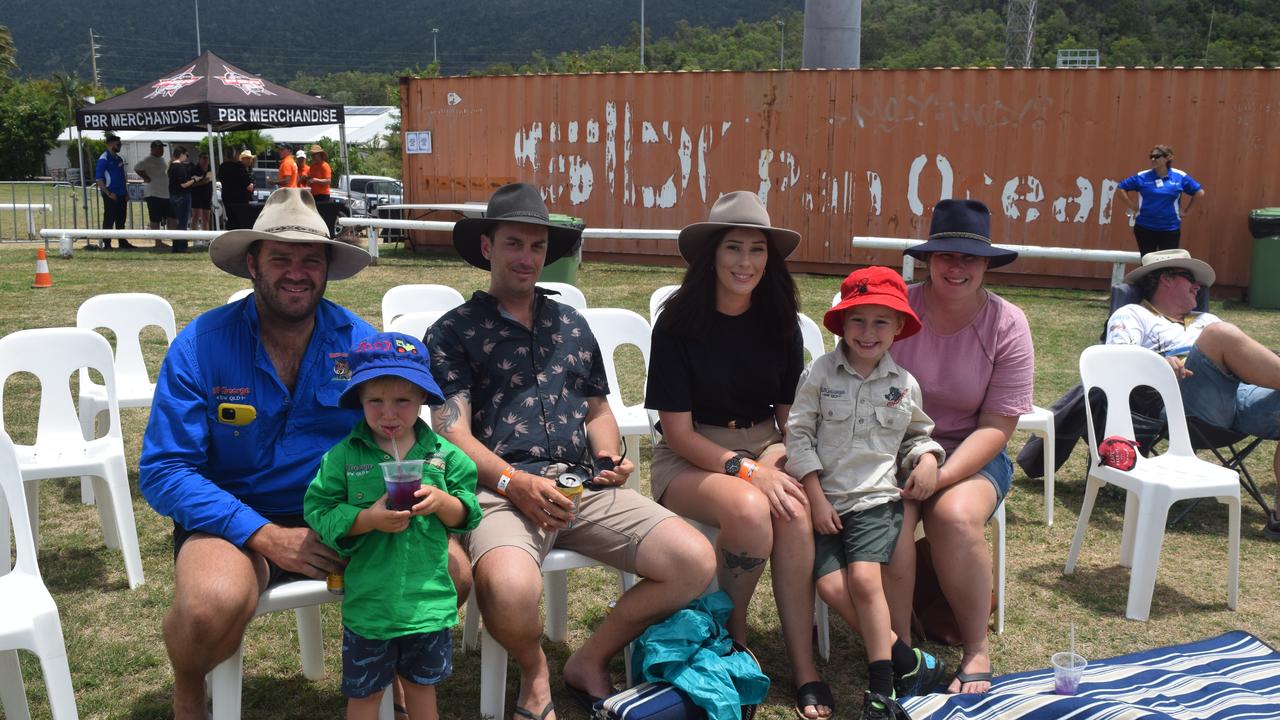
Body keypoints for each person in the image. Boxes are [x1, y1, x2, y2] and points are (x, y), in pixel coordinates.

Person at [138, 188, 471, 720]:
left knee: (452, 572)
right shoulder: (201, 343)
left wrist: (403, 505)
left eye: (310, 260)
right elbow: (165, 470)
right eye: (280, 258)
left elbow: (403, 433)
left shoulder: (361, 343)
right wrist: (266, 535)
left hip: (345, 513)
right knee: (207, 607)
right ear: (251, 264)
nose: (297, 272)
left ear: (327, 269)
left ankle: (401, 671)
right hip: (235, 517)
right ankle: (188, 687)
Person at [426, 182, 715, 720]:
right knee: (511, 591)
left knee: (693, 560)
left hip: (579, 486)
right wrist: (514, 481)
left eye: (537, 247)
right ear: (487, 247)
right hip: (500, 491)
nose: (527, 258)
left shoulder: (571, 325)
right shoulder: (453, 332)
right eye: (514, 244)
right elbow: (451, 434)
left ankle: (589, 658)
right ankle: (535, 671)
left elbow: (598, 410)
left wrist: (608, 459)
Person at [821, 200, 1033, 695]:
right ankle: (898, 649)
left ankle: (975, 648)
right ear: (928, 259)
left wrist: (944, 472)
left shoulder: (1007, 323)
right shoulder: (891, 311)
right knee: (891, 524)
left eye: (970, 259)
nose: (956, 268)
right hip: (884, 447)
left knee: (953, 517)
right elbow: (844, 382)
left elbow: (998, 427)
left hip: (970, 452)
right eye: (945, 256)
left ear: (986, 265)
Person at [644, 190, 831, 719]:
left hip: (765, 445)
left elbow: (791, 417)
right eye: (733, 248)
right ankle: (733, 631)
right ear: (711, 255)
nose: (745, 262)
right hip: (690, 455)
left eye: (757, 250)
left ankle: (803, 666)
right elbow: (677, 433)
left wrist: (772, 460)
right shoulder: (677, 324)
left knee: (792, 514)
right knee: (751, 510)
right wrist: (747, 472)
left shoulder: (781, 322)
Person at [787, 267, 949, 719]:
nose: (868, 332)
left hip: (875, 500)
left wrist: (928, 459)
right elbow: (798, 434)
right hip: (824, 501)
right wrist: (815, 497)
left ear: (899, 327)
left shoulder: (903, 384)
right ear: (841, 324)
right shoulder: (819, 374)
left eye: (881, 321)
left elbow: (918, 435)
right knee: (830, 585)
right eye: (857, 320)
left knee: (862, 580)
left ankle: (882, 690)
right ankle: (909, 662)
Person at [304, 331, 481, 720]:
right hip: (370, 605)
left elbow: (469, 512)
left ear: (422, 399)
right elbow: (319, 510)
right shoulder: (343, 458)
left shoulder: (443, 456)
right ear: (359, 401)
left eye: (402, 400)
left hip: (427, 603)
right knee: (365, 698)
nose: (388, 413)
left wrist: (442, 502)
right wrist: (367, 519)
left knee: (422, 692)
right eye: (375, 401)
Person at [1105, 249, 1280, 539]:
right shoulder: (1133, 314)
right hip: (1182, 404)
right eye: (1190, 278)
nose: (1198, 286)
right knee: (1218, 335)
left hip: (1235, 394)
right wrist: (1158, 362)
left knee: (1216, 331)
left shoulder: (1205, 318)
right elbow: (1116, 359)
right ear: (1165, 279)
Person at [1115, 144, 1205, 256]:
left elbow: (1199, 192)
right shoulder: (1142, 176)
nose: (1153, 159)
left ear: (1168, 157)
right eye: (1151, 157)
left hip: (1170, 228)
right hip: (1145, 227)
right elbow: (1120, 188)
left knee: (1167, 264)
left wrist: (1187, 211)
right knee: (1148, 263)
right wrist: (1133, 206)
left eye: (1157, 156)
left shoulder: (1179, 176)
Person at [93, 132, 135, 250]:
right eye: (118, 143)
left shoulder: (119, 158)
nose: (120, 145)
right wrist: (108, 193)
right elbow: (99, 179)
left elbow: (122, 177)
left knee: (121, 219)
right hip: (111, 195)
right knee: (109, 219)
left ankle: (122, 241)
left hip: (121, 194)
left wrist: (126, 192)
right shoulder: (104, 158)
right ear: (111, 144)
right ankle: (107, 243)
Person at [133, 139, 173, 250]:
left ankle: (174, 239)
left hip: (165, 193)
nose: (161, 150)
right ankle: (158, 242)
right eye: (159, 147)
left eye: (162, 147)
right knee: (155, 219)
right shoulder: (147, 160)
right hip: (153, 193)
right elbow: (137, 167)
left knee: (172, 217)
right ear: (153, 148)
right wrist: (145, 177)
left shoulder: (161, 160)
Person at [168, 146, 197, 253]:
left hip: (174, 196)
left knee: (178, 223)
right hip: (182, 197)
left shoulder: (171, 166)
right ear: (182, 154)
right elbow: (184, 185)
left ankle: (176, 247)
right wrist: (194, 180)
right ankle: (181, 247)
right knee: (183, 223)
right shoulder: (179, 167)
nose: (187, 157)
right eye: (186, 155)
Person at [219, 149, 256, 230]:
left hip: (227, 198)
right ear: (236, 155)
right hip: (240, 200)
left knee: (231, 219)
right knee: (241, 221)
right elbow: (247, 183)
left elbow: (221, 180)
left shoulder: (222, 167)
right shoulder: (239, 168)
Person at [191, 151, 214, 232]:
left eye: (207, 158)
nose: (206, 160)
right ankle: (195, 238)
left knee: (206, 218)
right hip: (196, 195)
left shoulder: (210, 168)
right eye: (204, 158)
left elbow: (210, 182)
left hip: (207, 196)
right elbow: (191, 185)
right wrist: (201, 182)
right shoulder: (194, 169)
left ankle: (205, 239)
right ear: (199, 159)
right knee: (196, 217)